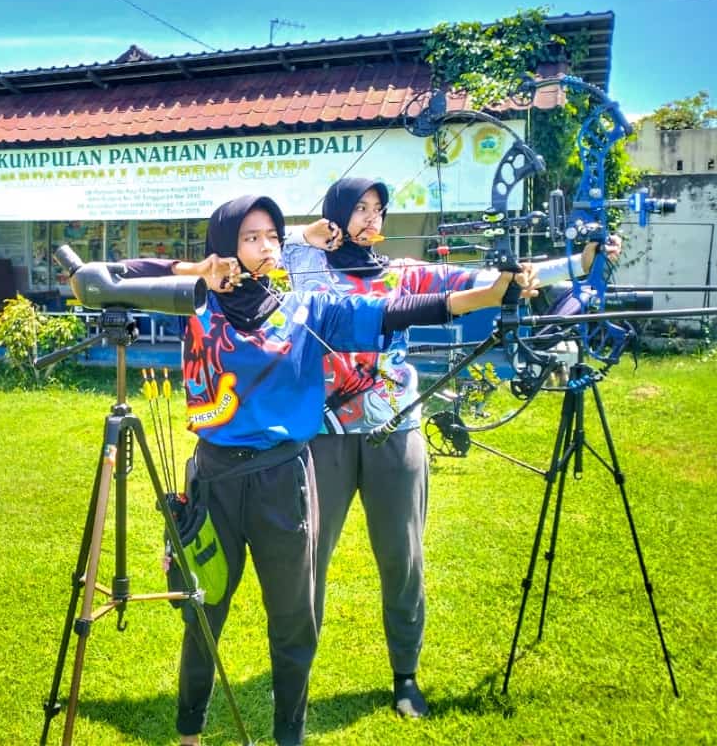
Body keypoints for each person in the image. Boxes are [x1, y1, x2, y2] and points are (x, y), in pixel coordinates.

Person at [167, 195, 538, 745]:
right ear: (222, 245)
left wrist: (484, 295)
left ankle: (288, 733)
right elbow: (105, 277)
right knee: (203, 609)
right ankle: (189, 729)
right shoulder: (190, 302)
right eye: (249, 237)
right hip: (214, 480)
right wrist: (200, 272)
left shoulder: (303, 308)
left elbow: (391, 312)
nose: (265, 247)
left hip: (282, 479)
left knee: (294, 620)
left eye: (272, 236)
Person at [283, 176, 621, 719]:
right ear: (337, 214)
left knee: (403, 558)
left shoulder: (403, 274)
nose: (372, 219)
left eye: (380, 210)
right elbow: (253, 248)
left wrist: (580, 260)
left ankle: (405, 676)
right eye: (361, 209)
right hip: (325, 436)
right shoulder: (304, 265)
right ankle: (294, 672)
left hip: (397, 432)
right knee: (308, 559)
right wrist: (307, 230)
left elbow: (490, 279)